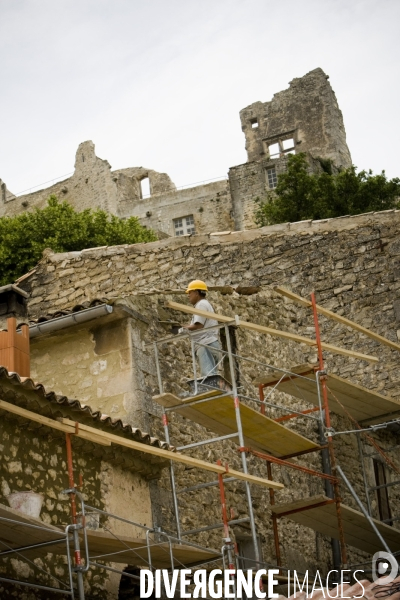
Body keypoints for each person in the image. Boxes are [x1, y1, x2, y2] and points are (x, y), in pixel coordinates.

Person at [179, 280, 221, 377]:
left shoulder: (201, 304)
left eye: (190, 292)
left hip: (205, 344)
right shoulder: (205, 304)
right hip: (211, 343)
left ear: (197, 293)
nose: (188, 295)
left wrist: (183, 328)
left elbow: (199, 325)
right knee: (211, 375)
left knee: (208, 377)